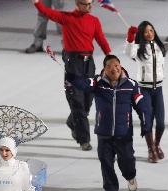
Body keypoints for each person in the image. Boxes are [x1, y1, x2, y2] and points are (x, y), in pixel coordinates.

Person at [66, 55, 151, 191]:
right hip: (104, 133)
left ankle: (130, 176)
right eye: (110, 66)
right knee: (106, 162)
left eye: (116, 65)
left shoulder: (131, 85)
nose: (114, 68)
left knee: (127, 162)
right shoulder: (98, 82)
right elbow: (83, 84)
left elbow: (141, 106)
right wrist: (71, 76)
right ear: (105, 69)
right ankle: (110, 190)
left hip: (123, 134)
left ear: (120, 66)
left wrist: (146, 124)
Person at [31, 0, 112, 151]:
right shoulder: (66, 18)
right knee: (77, 102)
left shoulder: (94, 20)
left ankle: (72, 122)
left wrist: (111, 57)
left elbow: (101, 39)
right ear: (78, 4)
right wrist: (37, 2)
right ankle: (84, 140)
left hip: (89, 63)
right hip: (73, 64)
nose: (90, 6)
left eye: (91, 3)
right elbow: (47, 12)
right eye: (87, 4)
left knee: (87, 102)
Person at [123, 20, 168, 163]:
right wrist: (130, 37)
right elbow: (128, 52)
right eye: (146, 31)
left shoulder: (161, 47)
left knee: (161, 123)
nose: (149, 33)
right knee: (147, 121)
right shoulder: (138, 49)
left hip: (158, 89)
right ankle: (150, 149)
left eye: (151, 30)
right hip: (144, 89)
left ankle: (157, 144)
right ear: (141, 34)